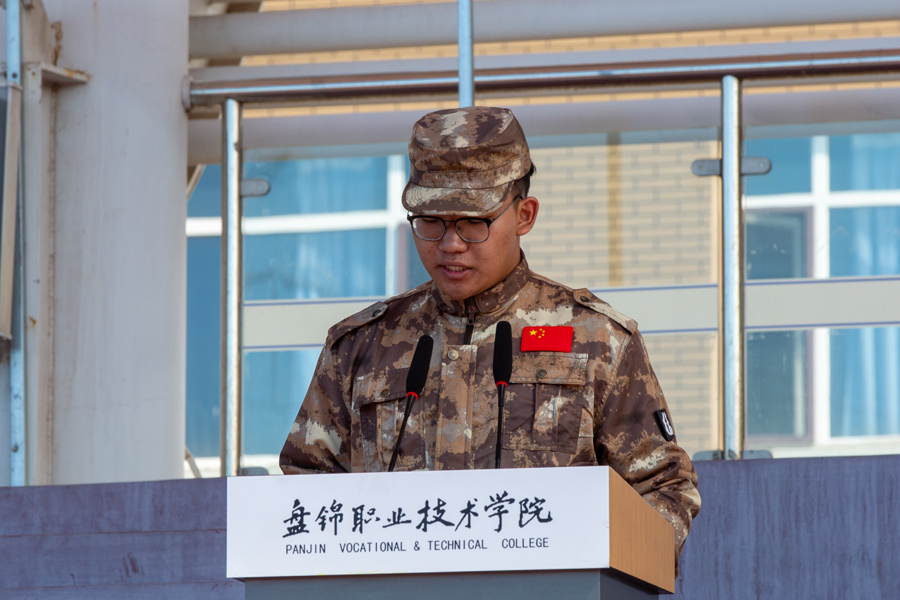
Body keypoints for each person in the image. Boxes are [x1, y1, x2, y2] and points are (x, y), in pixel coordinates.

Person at [280, 106, 701, 558]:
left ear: (525, 215)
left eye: (473, 222)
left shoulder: (598, 341)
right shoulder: (360, 347)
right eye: (431, 221)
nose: (450, 244)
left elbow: (662, 490)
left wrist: (596, 562)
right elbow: (304, 493)